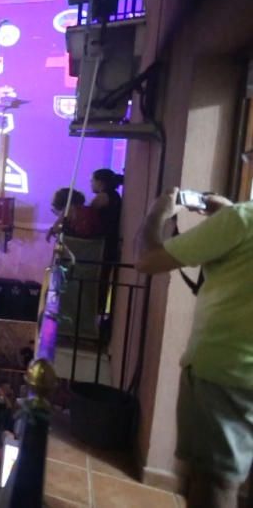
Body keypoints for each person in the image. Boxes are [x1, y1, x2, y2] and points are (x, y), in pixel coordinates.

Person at [136, 187, 253, 508]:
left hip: (227, 372)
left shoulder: (242, 220)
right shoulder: (238, 220)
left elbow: (146, 260)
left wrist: (155, 215)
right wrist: (229, 215)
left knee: (215, 479)